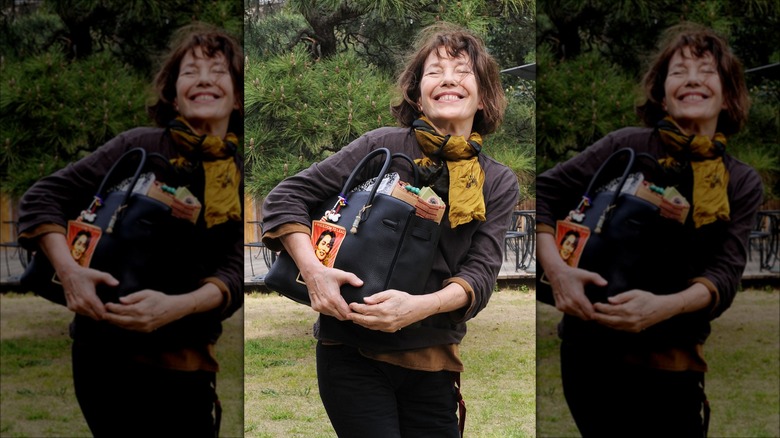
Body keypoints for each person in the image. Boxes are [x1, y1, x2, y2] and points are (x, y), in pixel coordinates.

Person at [261, 22, 519, 437]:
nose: (448, 79)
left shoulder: (497, 181)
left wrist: (419, 307)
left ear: (485, 96)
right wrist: (314, 273)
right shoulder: (382, 146)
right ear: (417, 95)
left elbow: (481, 273)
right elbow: (285, 198)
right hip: (350, 352)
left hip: (433, 361)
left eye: (462, 70)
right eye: (434, 71)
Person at [16, 23, 243, 437]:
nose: (204, 79)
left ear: (239, 95)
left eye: (218, 70)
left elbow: (234, 267)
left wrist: (179, 306)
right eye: (190, 71)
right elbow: (41, 197)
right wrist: (70, 273)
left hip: (185, 359)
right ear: (173, 94)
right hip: (103, 356)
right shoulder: (139, 146)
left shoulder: (240, 176)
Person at [536, 22, 763, 437]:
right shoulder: (629, 146)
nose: (692, 79)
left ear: (728, 93)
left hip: (672, 362)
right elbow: (546, 190)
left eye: (706, 70)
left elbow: (724, 274)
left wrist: (663, 307)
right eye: (679, 71)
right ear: (661, 93)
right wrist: (557, 271)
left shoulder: (740, 181)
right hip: (589, 359)